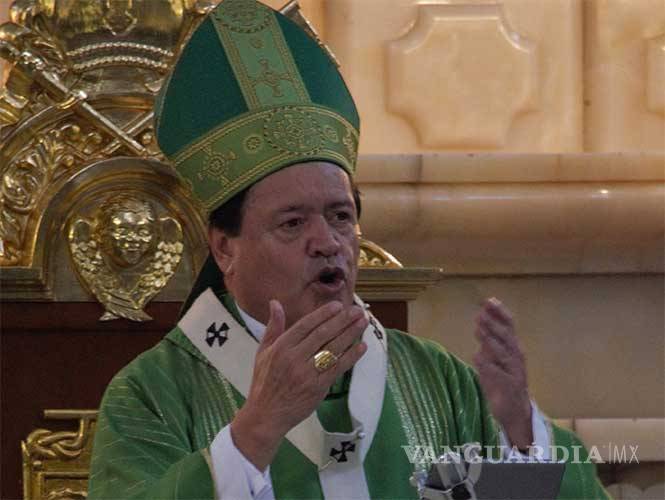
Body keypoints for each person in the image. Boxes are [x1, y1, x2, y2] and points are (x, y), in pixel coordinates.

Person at [88, 1, 609, 498]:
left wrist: (521, 436)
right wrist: (257, 430)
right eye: (293, 223)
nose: (328, 243)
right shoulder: (154, 394)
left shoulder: (439, 380)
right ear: (225, 248)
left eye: (340, 216)